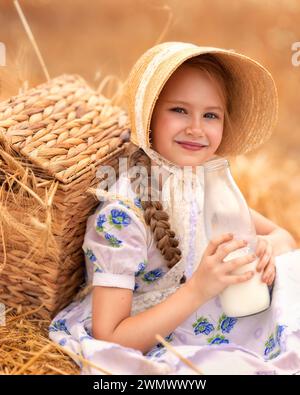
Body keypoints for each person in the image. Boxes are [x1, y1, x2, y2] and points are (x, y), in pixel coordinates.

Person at [49, 42, 300, 375]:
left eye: (210, 115)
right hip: (160, 330)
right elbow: (109, 336)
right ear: (148, 117)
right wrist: (199, 289)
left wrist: (267, 248)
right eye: (179, 110)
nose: (196, 127)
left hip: (219, 310)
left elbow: (285, 238)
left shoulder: (201, 180)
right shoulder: (123, 215)